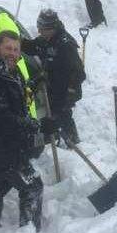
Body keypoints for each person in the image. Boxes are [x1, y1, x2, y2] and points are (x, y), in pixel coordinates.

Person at [0, 31, 57, 231]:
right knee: (32, 186)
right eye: (8, 48)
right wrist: (38, 125)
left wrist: (33, 83)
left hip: (0, 144)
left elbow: (14, 101)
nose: (13, 53)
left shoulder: (6, 70)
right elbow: (1, 118)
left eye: (16, 49)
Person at [21, 9, 86, 146]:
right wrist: (16, 41)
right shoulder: (45, 40)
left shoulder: (65, 45)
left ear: (52, 28)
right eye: (38, 27)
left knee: (62, 115)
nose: (39, 31)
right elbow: (31, 47)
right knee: (55, 114)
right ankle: (56, 137)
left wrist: (69, 94)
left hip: (66, 90)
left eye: (42, 29)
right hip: (53, 85)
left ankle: (72, 141)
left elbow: (79, 73)